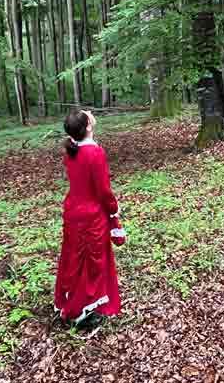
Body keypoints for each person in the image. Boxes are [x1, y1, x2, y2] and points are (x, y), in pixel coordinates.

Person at [54, 109, 125, 327]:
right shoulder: (94, 153)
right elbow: (103, 190)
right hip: (91, 215)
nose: (90, 113)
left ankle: (72, 301)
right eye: (87, 114)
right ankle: (80, 310)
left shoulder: (72, 150)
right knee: (89, 262)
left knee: (73, 257)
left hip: (73, 210)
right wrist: (113, 209)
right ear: (88, 127)